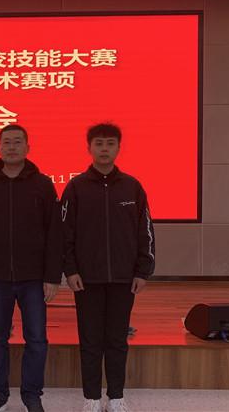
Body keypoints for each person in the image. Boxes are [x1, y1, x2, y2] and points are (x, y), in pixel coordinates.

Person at [61, 123, 155, 412]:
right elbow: (65, 234)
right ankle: (91, 397)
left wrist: (143, 271)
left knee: (116, 340)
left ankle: (116, 396)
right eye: (99, 143)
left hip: (124, 279)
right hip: (86, 279)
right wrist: (70, 270)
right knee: (90, 340)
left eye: (110, 143)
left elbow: (146, 232)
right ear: (89, 148)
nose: (104, 149)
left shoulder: (132, 187)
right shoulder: (75, 187)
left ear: (118, 148)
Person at [0, 124, 62, 412]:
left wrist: (52, 276)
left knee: (36, 338)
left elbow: (54, 233)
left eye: (17, 142)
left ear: (27, 147)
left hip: (34, 277)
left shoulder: (43, 184)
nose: (12, 147)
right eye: (7, 142)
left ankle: (32, 394)